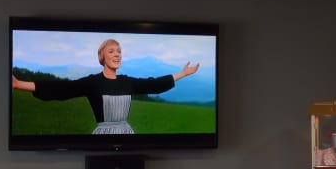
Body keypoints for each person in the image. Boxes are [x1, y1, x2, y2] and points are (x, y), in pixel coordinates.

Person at [11, 39, 200, 134]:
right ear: (102, 57)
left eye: (119, 51)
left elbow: (154, 84)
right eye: (111, 51)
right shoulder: (92, 82)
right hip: (103, 135)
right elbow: (61, 89)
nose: (117, 55)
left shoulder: (128, 82)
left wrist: (183, 73)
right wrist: (19, 84)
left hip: (127, 134)